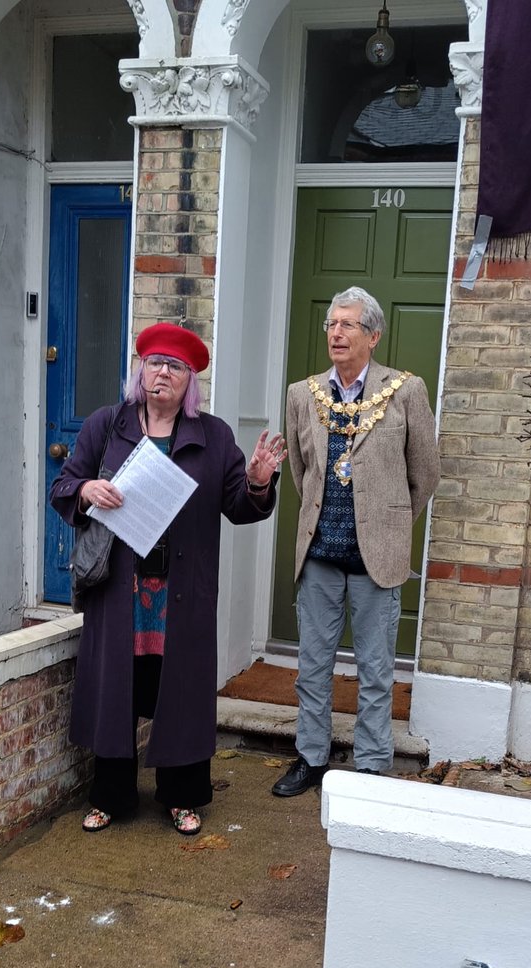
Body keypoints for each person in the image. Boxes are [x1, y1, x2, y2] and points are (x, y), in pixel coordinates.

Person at [50, 322, 286, 834]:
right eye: (155, 362)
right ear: (141, 371)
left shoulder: (214, 435)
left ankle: (182, 797)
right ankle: (111, 796)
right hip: (121, 590)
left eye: (175, 367)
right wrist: (88, 488)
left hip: (180, 592)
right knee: (117, 692)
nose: (163, 373)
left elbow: (240, 508)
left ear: (190, 381)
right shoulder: (105, 426)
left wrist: (258, 481)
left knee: (178, 693)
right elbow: (62, 487)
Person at [272, 286, 440, 798]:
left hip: (378, 559)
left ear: (373, 335)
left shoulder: (405, 391)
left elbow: (426, 474)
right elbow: (302, 473)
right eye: (331, 325)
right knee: (313, 667)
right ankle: (311, 757)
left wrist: (388, 522)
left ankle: (370, 766)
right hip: (320, 556)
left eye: (347, 325)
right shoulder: (304, 395)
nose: (336, 333)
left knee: (374, 670)